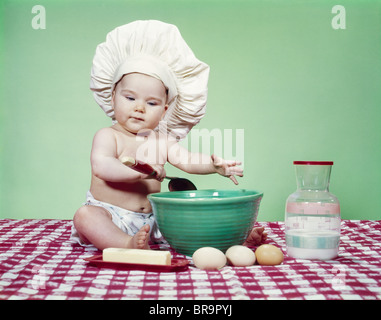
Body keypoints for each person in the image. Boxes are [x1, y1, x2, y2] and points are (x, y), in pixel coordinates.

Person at [71, 20, 266, 251]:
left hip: (156, 220)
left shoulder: (160, 140)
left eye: (151, 102)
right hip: (111, 216)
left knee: (190, 217)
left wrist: (214, 166)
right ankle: (126, 244)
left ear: (164, 110)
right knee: (85, 216)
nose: (139, 108)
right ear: (112, 97)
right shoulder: (108, 136)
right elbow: (102, 166)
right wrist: (140, 173)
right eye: (130, 98)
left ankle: (233, 241)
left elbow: (187, 160)